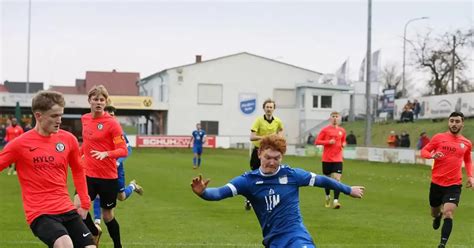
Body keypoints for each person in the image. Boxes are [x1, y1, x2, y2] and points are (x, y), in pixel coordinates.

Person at [191, 134, 365, 248]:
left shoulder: (292, 175)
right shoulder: (247, 181)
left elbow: (322, 180)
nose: (272, 162)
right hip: (273, 241)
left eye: (277, 158)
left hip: (297, 237)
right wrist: (204, 193)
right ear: (259, 154)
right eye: (268, 157)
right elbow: (220, 193)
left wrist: (348, 189)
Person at [0, 91, 95, 248]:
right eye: (54, 116)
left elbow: (78, 169)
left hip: (66, 208)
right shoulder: (20, 144)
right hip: (40, 212)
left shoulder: (68, 139)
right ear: (38, 116)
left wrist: (84, 202)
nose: (59, 120)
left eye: (61, 115)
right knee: (65, 245)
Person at [81, 85, 128, 248]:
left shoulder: (112, 123)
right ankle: (93, 231)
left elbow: (123, 150)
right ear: (89, 101)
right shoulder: (85, 119)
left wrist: (106, 154)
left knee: (107, 216)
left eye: (102, 100)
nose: (99, 102)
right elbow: (86, 143)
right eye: (95, 99)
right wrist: (78, 155)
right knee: (79, 209)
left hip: (108, 177)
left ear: (106, 102)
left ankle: (118, 245)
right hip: (87, 174)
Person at [420, 111, 473, 248]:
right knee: (435, 212)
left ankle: (442, 244)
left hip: (454, 185)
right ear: (448, 122)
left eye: (457, 121)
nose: (454, 124)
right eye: (452, 121)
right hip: (437, 183)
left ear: (462, 123)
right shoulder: (439, 138)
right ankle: (437, 217)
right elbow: (424, 151)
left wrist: (471, 176)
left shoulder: (466, 143)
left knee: (448, 213)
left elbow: (467, 161)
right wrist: (432, 156)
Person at [92, 104, 144, 225]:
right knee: (99, 193)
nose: (111, 118)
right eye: (109, 115)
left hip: (116, 170)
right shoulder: (97, 131)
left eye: (113, 116)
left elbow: (128, 149)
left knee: (121, 197)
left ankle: (132, 186)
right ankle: (97, 222)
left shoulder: (117, 132)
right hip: (101, 169)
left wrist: (117, 161)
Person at [248, 98, 284, 210]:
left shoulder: (277, 121)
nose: (269, 109)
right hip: (259, 150)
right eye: (267, 107)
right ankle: (249, 198)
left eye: (271, 107)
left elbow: (281, 133)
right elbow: (252, 137)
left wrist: (278, 138)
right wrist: (264, 137)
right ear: (264, 108)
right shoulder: (259, 121)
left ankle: (269, 198)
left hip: (271, 153)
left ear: (274, 109)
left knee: (271, 174)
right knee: (255, 174)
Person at [314, 111, 347, 209]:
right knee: (327, 181)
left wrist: (344, 144)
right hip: (327, 159)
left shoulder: (342, 130)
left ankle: (336, 201)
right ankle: (327, 196)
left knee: (337, 180)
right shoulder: (325, 130)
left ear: (339, 118)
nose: (335, 118)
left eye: (336, 116)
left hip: (338, 159)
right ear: (330, 118)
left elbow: (344, 140)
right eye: (333, 116)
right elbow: (317, 141)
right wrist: (328, 142)